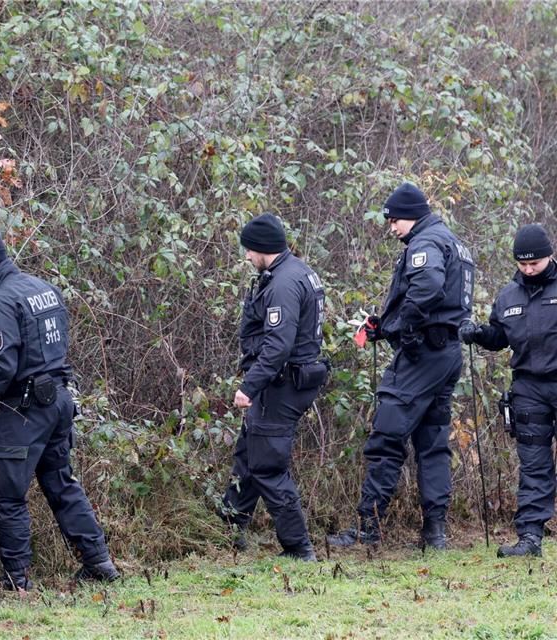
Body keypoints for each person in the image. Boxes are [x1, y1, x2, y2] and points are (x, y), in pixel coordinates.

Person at [0, 229, 119, 590]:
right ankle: (99, 562)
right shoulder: (44, 288)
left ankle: (16, 579)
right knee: (60, 482)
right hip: (58, 400)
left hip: (24, 409)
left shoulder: (1, 302)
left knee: (9, 492)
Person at [328, 183, 474, 550]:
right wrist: (385, 325)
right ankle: (434, 534)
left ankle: (368, 530)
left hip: (421, 356)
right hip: (446, 352)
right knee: (433, 442)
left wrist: (406, 329)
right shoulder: (450, 241)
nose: (391, 227)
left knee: (386, 437)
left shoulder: (425, 243)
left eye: (394, 220)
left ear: (412, 214)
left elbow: (426, 288)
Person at [217, 213, 329, 561]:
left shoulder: (282, 283)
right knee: (249, 453)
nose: (247, 257)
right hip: (286, 380)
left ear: (262, 248)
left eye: (249, 250)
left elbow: (278, 346)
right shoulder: (297, 271)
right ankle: (230, 526)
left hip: (280, 385)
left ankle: (298, 548)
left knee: (266, 464)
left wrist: (249, 386)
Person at [460, 223, 556, 558]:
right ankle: (530, 539)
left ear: (550, 256)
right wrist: (478, 334)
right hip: (528, 387)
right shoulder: (508, 295)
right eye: (523, 264)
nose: (529, 270)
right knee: (533, 464)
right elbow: (500, 337)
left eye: (535, 264)